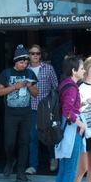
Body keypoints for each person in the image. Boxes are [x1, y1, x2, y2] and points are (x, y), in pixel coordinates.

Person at [0, 44, 39, 182]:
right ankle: (10, 161)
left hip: (26, 113)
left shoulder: (30, 74)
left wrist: (30, 86)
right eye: (22, 62)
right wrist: (15, 86)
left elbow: (36, 94)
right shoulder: (6, 73)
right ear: (16, 61)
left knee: (24, 142)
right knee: (9, 141)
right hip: (11, 113)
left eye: (26, 62)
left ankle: (20, 173)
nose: (24, 64)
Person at [53, 55, 87, 182]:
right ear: (74, 71)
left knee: (63, 171)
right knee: (69, 172)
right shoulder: (72, 87)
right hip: (71, 133)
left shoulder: (64, 85)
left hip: (64, 132)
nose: (84, 70)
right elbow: (68, 111)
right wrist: (82, 124)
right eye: (81, 68)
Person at [25, 44, 59, 175]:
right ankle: (33, 165)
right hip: (31, 107)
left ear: (41, 55)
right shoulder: (25, 69)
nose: (35, 56)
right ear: (29, 55)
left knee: (48, 134)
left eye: (37, 53)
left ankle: (53, 157)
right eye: (32, 53)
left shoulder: (48, 68)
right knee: (32, 137)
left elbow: (55, 87)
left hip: (46, 108)